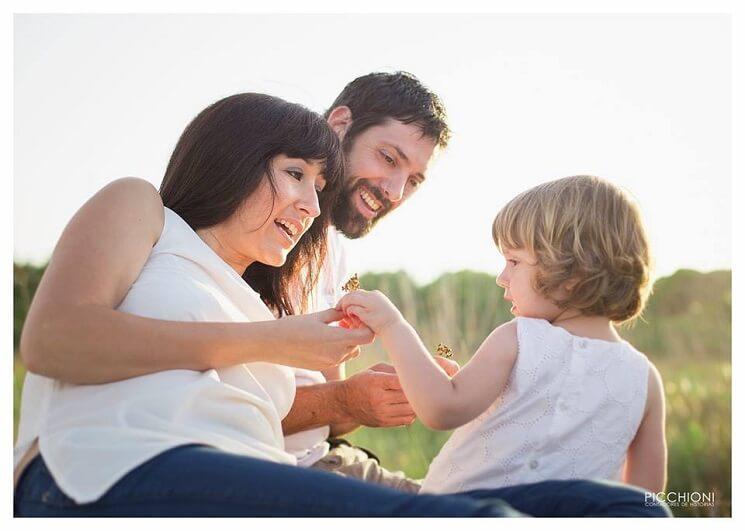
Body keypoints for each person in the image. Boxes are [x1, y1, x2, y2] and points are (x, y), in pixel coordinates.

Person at [14, 93, 670, 517]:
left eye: (318, 184)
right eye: (295, 173)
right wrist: (278, 345)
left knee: (624, 510)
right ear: (234, 157)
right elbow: (52, 341)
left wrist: (345, 391)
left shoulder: (256, 296)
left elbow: (289, 433)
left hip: (248, 472)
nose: (308, 203)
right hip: (103, 468)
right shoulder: (144, 211)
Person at [336, 175, 668, 495]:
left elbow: (442, 408)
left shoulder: (520, 339)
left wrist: (393, 327)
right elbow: (644, 498)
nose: (502, 277)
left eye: (514, 261)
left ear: (572, 273)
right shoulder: (645, 379)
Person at [281, 72, 455, 490]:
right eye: (389, 158)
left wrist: (389, 389)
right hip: (273, 473)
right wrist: (346, 400)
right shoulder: (264, 225)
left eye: (413, 180)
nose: (396, 192)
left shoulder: (334, 253)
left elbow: (330, 410)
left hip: (326, 459)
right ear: (340, 125)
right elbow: (219, 403)